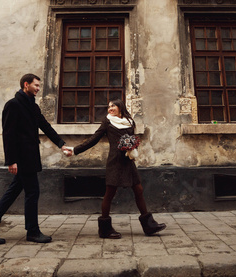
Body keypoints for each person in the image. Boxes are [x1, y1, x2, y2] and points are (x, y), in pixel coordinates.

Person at [0, 73, 72, 245]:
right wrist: (11, 160)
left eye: (38, 86)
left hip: (30, 157)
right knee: (32, 192)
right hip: (21, 158)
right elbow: (8, 134)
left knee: (14, 190)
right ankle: (33, 231)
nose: (38, 88)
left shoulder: (33, 107)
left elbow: (45, 126)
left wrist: (61, 144)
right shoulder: (13, 105)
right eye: (36, 85)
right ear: (25, 85)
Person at [68, 99, 166, 238]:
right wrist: (74, 150)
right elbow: (94, 139)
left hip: (128, 161)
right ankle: (105, 229)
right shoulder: (107, 122)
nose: (110, 108)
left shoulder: (130, 122)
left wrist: (132, 147)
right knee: (110, 193)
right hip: (115, 162)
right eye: (108, 106)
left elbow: (133, 139)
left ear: (120, 107)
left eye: (113, 105)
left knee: (138, 190)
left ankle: (149, 225)